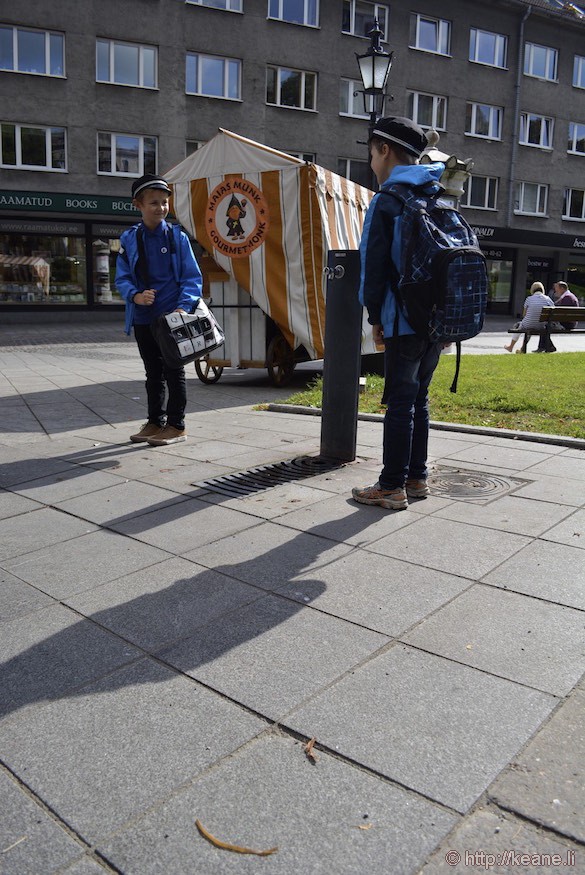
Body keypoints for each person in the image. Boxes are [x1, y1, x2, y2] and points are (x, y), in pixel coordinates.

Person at [351, 116, 445, 511]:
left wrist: (375, 318)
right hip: (438, 318)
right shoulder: (435, 195)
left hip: (402, 318)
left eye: (371, 153)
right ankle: (416, 477)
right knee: (418, 399)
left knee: (400, 402)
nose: (371, 161)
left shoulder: (387, 200)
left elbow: (372, 267)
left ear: (384, 150)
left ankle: (390, 487)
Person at [115, 173, 203, 445]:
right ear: (137, 204)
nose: (161, 208)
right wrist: (135, 296)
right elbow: (122, 276)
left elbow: (192, 277)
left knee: (173, 371)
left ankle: (177, 425)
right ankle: (155, 422)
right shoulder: (129, 238)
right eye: (154, 202)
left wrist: (182, 307)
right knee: (152, 373)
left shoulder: (178, 238)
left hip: (172, 318)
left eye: (164, 202)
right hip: (143, 316)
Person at [504, 282, 555, 353]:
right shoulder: (548, 299)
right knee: (530, 326)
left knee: (521, 326)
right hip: (541, 325)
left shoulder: (529, 299)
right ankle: (522, 349)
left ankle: (511, 347)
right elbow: (553, 311)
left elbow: (524, 314)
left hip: (529, 324)